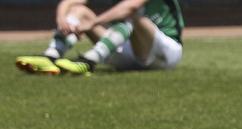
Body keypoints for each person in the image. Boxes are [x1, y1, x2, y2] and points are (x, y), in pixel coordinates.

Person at [16, 0, 183, 75]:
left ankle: (89, 61)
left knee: (131, 16)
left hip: (165, 52)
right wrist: (61, 17)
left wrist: (95, 22)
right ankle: (51, 56)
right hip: (130, 49)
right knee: (79, 11)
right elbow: (70, 2)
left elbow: (131, 6)